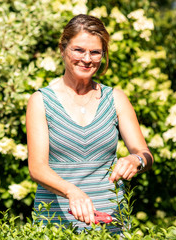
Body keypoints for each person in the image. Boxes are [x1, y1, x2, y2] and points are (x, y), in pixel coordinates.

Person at [26, 14, 153, 234]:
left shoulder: (115, 99)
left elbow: (145, 154)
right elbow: (37, 168)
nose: (87, 59)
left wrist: (136, 160)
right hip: (56, 225)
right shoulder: (41, 101)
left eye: (95, 52)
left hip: (111, 224)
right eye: (79, 50)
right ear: (63, 49)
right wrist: (71, 192)